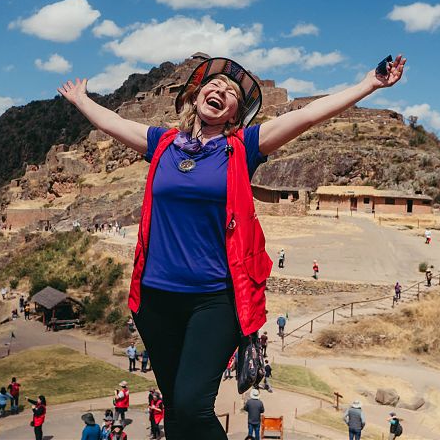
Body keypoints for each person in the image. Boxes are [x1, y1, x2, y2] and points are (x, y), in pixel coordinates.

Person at [58, 54, 405, 440]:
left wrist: (368, 85)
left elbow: (306, 117)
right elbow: (114, 124)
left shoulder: (243, 147)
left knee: (193, 405)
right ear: (197, 94)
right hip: (156, 299)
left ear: (235, 114)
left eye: (231, 93)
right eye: (214, 85)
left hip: (214, 298)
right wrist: (81, 100)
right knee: (175, 409)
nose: (220, 91)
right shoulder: (162, 143)